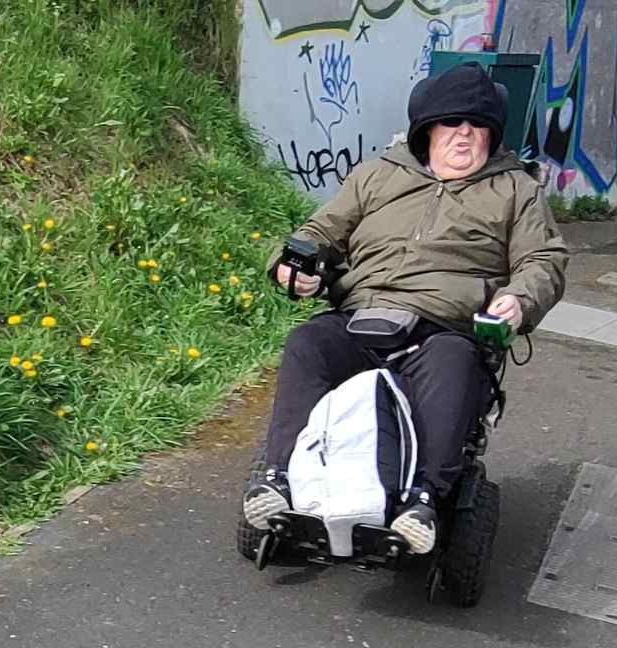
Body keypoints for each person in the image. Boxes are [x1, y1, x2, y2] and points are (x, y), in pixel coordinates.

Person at [243, 62, 568, 554]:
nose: (465, 135)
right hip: (362, 313)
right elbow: (317, 233)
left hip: (444, 326)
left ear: (492, 135)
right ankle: (280, 479)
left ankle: (422, 502)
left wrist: (517, 300)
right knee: (308, 342)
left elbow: (543, 260)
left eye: (478, 125)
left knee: (453, 362)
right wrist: (292, 267)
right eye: (452, 122)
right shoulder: (378, 176)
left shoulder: (516, 190)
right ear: (427, 129)